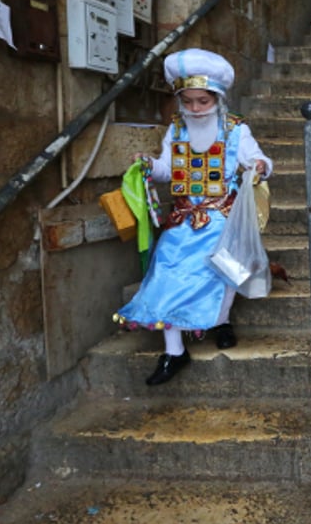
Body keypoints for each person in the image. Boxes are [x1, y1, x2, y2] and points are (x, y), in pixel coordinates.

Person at [114, 48, 273, 385]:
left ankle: (220, 321)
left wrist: (259, 167)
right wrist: (148, 163)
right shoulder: (177, 130)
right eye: (188, 102)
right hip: (185, 214)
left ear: (216, 98)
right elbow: (168, 169)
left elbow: (259, 160)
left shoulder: (235, 130)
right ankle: (174, 352)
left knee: (220, 265)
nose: (196, 108)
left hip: (222, 216)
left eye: (203, 101)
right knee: (167, 265)